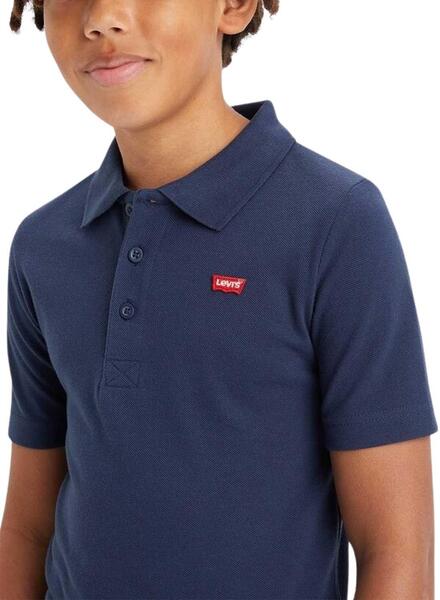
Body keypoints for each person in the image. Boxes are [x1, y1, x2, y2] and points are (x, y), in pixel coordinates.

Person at [0, 1, 437, 598]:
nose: (101, 16)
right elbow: (28, 528)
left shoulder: (335, 222)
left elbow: (397, 550)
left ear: (232, 6)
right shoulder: (43, 245)